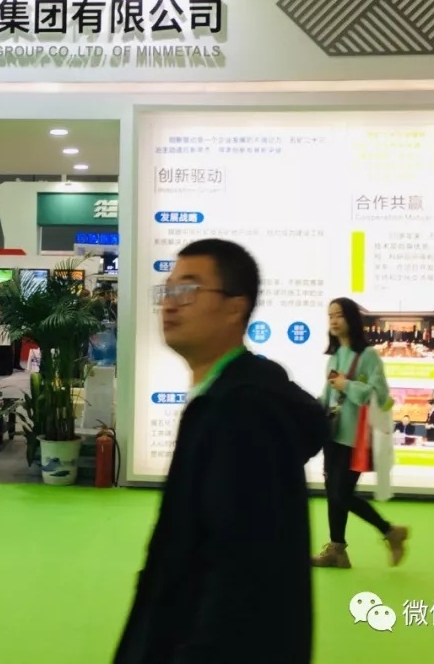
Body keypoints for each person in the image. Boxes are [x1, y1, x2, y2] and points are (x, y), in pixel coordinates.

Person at [114, 239, 327, 664]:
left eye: (188, 290)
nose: (170, 303)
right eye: (167, 290)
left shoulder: (244, 414)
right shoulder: (223, 399)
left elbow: (244, 579)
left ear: (235, 307)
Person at [313, 297, 409, 569]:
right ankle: (337, 550)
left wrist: (347, 385)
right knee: (333, 493)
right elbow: (328, 396)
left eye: (339, 315)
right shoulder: (335, 356)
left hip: (356, 439)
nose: (333, 320)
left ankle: (390, 532)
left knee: (341, 494)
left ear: (352, 319)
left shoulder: (368, 356)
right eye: (330, 315)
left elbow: (380, 396)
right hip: (333, 434)